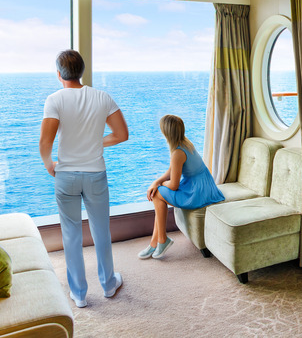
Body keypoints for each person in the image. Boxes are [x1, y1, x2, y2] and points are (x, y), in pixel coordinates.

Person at [39, 50, 129, 309]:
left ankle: (78, 295)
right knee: (101, 230)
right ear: (82, 71)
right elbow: (121, 134)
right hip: (95, 176)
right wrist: (95, 142)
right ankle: (109, 285)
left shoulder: (54, 100)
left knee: (71, 235)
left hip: (65, 176)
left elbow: (45, 142)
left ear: (59, 74)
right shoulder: (103, 97)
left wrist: (49, 165)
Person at [140, 114, 224, 260]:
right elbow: (171, 170)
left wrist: (160, 184)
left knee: (157, 195)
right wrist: (156, 181)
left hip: (197, 193)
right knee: (157, 195)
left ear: (166, 132)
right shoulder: (184, 143)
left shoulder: (178, 152)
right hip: (204, 186)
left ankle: (161, 240)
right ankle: (156, 242)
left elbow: (173, 185)